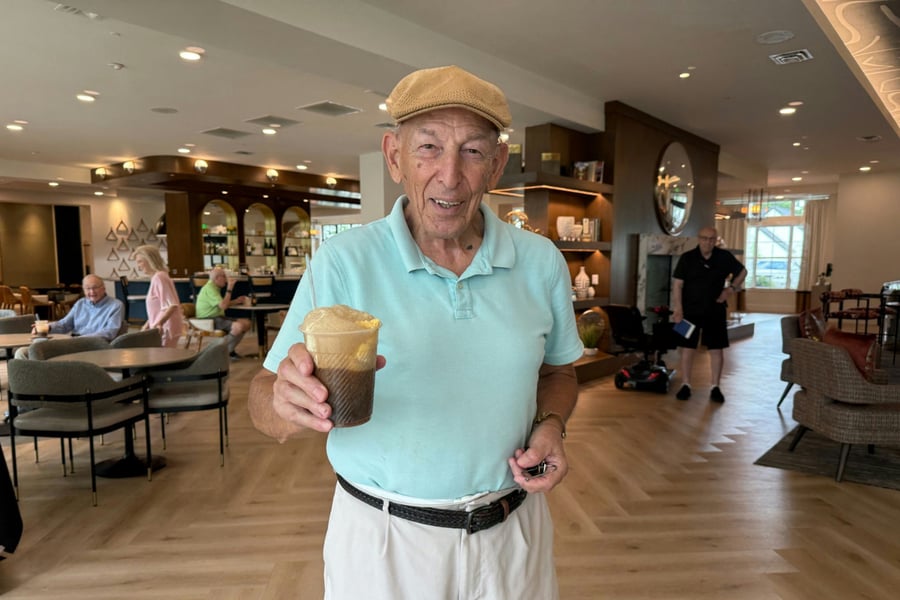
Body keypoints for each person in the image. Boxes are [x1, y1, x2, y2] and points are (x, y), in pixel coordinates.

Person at [247, 65, 582, 599]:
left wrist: (551, 425)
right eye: (428, 147)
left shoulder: (540, 262)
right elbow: (262, 398)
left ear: (496, 165)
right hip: (383, 544)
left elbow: (559, 371)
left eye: (472, 151)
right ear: (394, 156)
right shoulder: (342, 263)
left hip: (514, 533)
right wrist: (285, 403)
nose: (450, 176)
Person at [671, 226, 746, 403]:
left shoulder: (724, 257)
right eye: (705, 238)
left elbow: (743, 272)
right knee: (686, 348)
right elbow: (677, 285)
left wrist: (730, 289)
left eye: (712, 239)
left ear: (716, 240)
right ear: (699, 239)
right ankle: (686, 385)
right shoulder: (687, 258)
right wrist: (678, 309)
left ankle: (715, 387)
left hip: (716, 309)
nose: (708, 242)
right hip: (688, 311)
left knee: (716, 349)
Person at [15, 274, 125, 359]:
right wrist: (48, 327)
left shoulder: (115, 305)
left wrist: (78, 340)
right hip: (72, 344)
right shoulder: (81, 303)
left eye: (95, 288)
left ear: (103, 288)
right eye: (87, 288)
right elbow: (65, 324)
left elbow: (109, 333)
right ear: (83, 289)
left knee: (35, 352)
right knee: (23, 353)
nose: (91, 292)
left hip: (93, 347)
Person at [133, 245, 184, 347]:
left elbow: (172, 305)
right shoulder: (159, 277)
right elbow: (158, 310)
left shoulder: (159, 277)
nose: (138, 266)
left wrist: (159, 324)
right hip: (162, 327)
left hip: (165, 328)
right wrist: (147, 325)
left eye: (140, 261)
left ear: (149, 260)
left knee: (163, 359)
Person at [195, 266, 251, 358]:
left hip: (217, 316)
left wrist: (236, 301)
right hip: (207, 318)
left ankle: (229, 351)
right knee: (238, 326)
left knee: (246, 323)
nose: (226, 279)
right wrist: (229, 288)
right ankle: (213, 351)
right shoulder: (210, 288)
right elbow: (223, 306)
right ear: (217, 278)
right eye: (224, 276)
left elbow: (221, 304)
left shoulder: (214, 287)